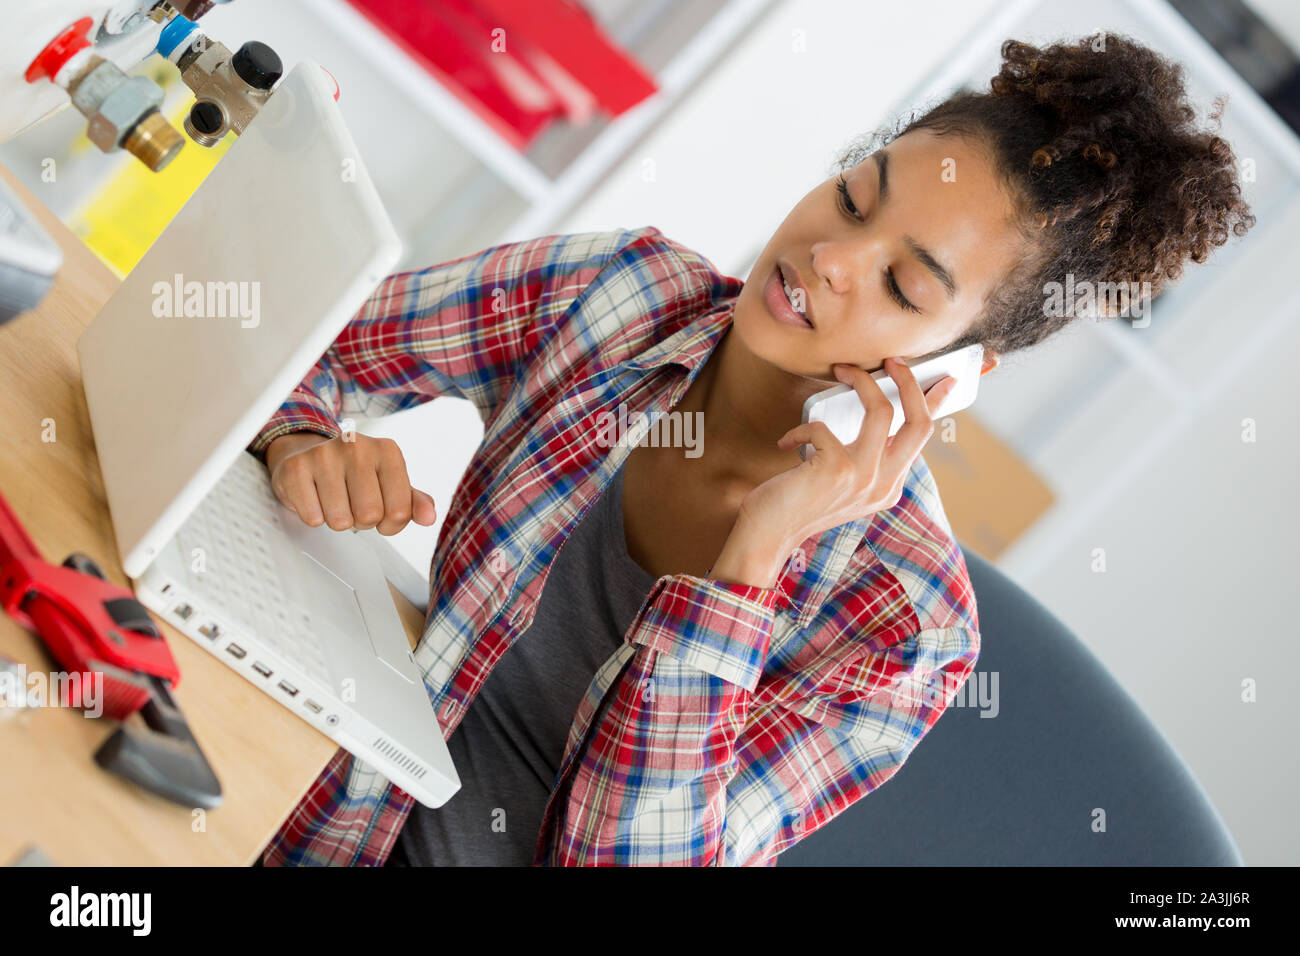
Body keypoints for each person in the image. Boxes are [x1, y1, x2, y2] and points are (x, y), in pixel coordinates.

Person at [247, 33, 1255, 866]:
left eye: (904, 288)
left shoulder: (906, 623)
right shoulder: (623, 296)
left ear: (957, 372)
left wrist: (744, 570)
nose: (830, 258)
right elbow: (312, 336)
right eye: (856, 199)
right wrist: (304, 434)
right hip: (298, 813)